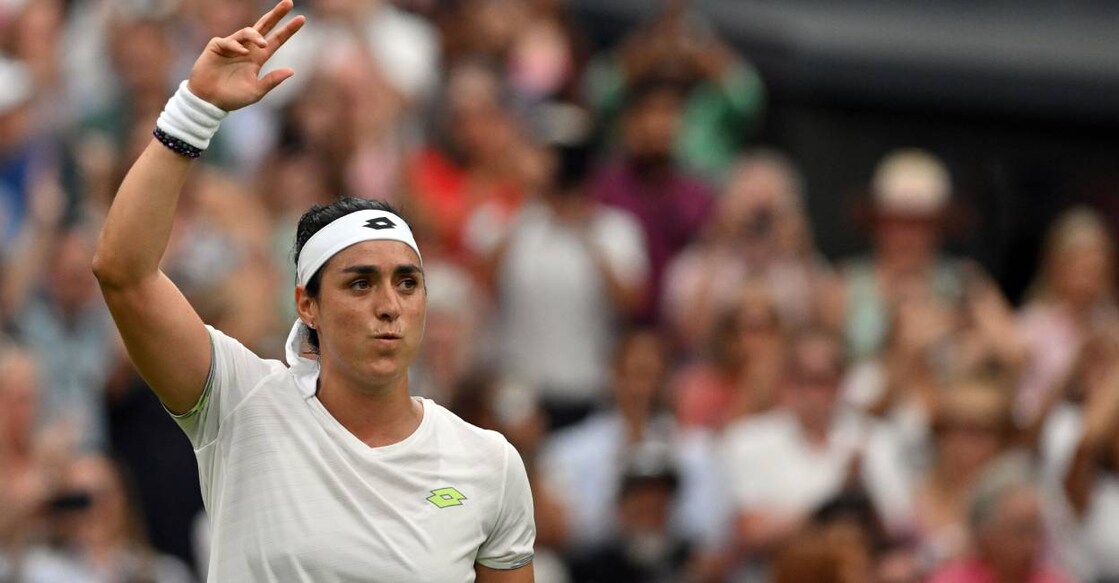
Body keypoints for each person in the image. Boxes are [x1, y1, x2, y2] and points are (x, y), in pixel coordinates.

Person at [91, 3, 535, 581]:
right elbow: (124, 274)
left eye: (407, 282)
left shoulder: (489, 464)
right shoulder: (239, 403)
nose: (389, 305)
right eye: (359, 283)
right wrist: (194, 112)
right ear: (307, 304)